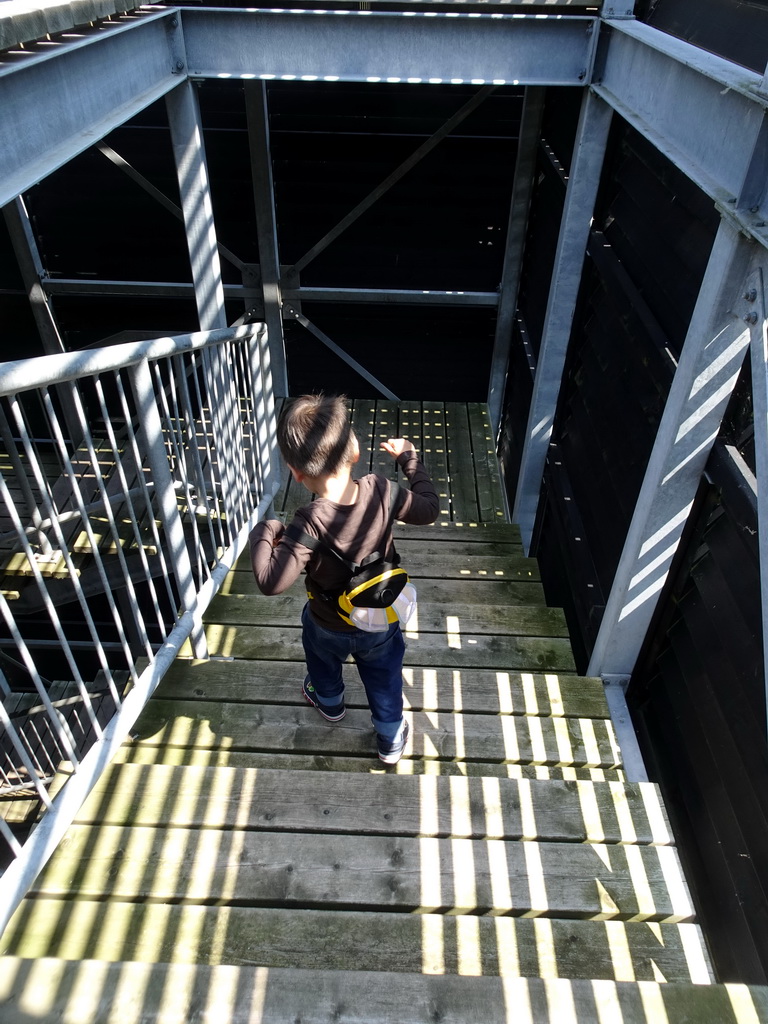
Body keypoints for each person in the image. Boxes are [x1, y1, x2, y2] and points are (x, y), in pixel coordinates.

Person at [249, 394, 439, 764]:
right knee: (384, 678)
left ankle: (331, 703)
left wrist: (265, 529)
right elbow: (429, 509)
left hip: (327, 623)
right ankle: (389, 738)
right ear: (353, 449)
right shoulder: (382, 490)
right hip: (380, 619)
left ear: (295, 471)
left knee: (321, 661)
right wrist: (409, 460)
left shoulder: (308, 522)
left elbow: (271, 582)